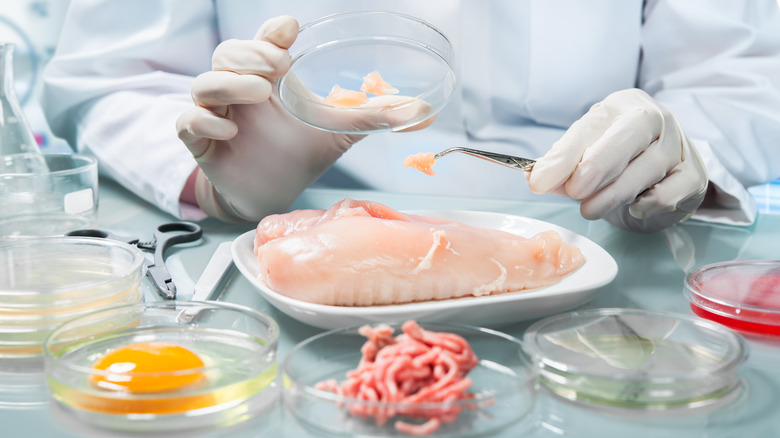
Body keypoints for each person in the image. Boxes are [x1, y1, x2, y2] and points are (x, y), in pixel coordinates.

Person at [42, 1, 780, 233]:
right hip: (296, 234)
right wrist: (219, 182)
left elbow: (738, 70)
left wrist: (681, 151)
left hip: (599, 242)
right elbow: (110, 73)